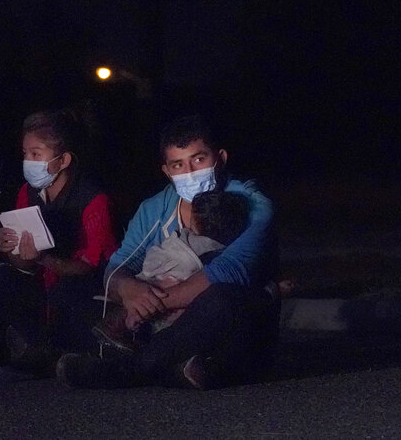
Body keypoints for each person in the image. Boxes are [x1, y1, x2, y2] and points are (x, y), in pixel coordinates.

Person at [57, 115, 278, 390]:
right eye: (178, 165)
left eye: (199, 160)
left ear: (219, 159)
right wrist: (129, 290)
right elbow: (119, 265)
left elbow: (231, 269)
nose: (190, 172)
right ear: (166, 171)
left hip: (227, 318)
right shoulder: (154, 209)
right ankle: (179, 367)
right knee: (74, 291)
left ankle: (129, 370)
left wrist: (152, 303)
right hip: (162, 320)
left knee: (223, 297)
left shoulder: (251, 204)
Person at [0, 109, 119, 372]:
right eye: (25, 153)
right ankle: (42, 347)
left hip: (84, 288)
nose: (28, 161)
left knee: (69, 295)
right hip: (43, 283)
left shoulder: (92, 199)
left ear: (63, 159)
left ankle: (48, 350)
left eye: (36, 154)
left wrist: (44, 258)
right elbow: (23, 262)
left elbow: (90, 266)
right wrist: (9, 246)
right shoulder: (28, 191)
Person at [92, 189, 249, 351]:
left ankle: (123, 326)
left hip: (161, 303)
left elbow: (153, 260)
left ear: (196, 221)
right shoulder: (224, 249)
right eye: (178, 164)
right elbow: (121, 263)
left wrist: (149, 300)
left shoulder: (183, 243)